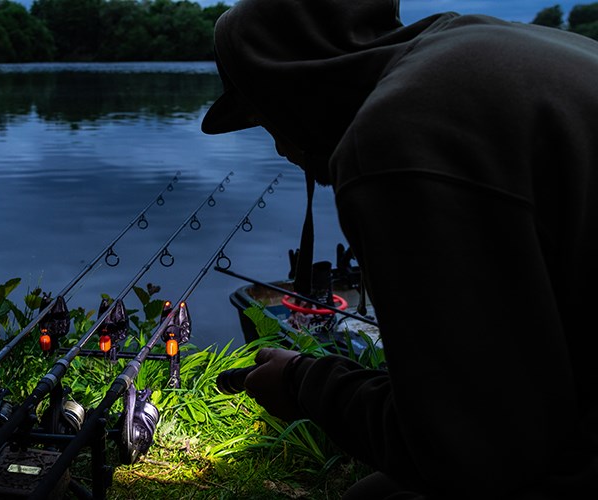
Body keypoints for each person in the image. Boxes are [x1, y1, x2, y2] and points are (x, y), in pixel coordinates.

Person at [201, 0, 598, 498]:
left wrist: (304, 385)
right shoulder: (477, 46)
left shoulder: (397, 135)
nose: (281, 147)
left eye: (264, 117)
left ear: (290, 89)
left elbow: (470, 452)